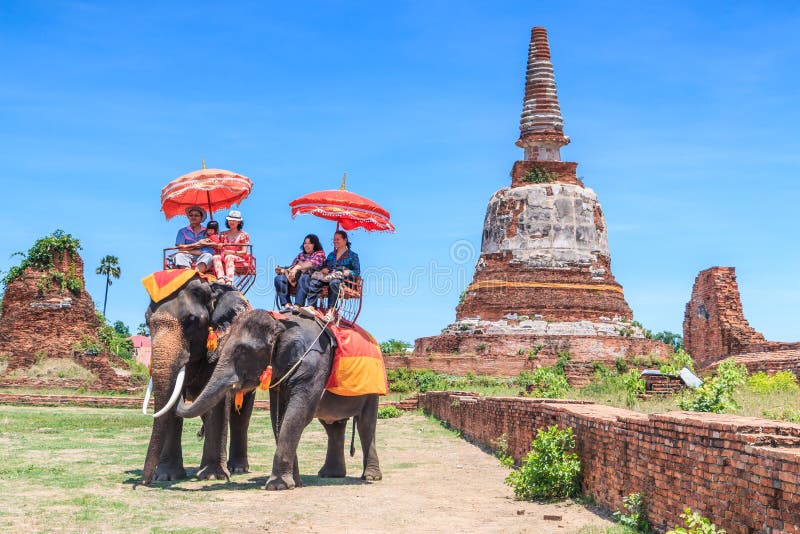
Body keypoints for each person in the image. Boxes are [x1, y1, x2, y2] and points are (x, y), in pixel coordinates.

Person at [303, 230, 360, 321]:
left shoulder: (353, 256)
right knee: (315, 281)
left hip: (343, 280)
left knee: (334, 283)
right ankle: (311, 307)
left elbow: (357, 271)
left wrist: (348, 272)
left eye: (338, 239)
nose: (335, 241)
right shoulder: (331, 255)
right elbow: (324, 266)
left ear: (345, 240)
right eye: (334, 239)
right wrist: (323, 269)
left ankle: (331, 311)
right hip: (328, 277)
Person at [274, 234, 326, 308]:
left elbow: (312, 264)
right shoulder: (300, 255)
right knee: (279, 278)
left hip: (311, 278)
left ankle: (298, 304)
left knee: (304, 277)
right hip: (296, 278)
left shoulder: (319, 254)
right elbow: (292, 267)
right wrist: (284, 270)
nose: (306, 245)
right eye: (305, 243)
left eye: (309, 243)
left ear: (315, 244)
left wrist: (298, 267)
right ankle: (287, 304)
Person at [213, 210, 251, 284]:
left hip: (237, 257)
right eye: (230, 220)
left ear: (239, 222)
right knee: (215, 257)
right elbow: (218, 248)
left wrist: (231, 252)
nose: (231, 222)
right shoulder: (222, 234)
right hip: (223, 256)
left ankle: (229, 280)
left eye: (234, 220)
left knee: (229, 257)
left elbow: (244, 252)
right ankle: (221, 278)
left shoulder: (243, 235)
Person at [174, 206, 214, 272]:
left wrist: (187, 249)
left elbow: (209, 250)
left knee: (208, 256)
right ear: (188, 217)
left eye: (196, 215)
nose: (193, 217)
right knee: (179, 256)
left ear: (201, 218)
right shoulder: (182, 231)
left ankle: (196, 273)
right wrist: (197, 244)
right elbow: (180, 247)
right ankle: (187, 273)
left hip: (202, 255)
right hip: (186, 256)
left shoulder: (207, 232)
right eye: (191, 215)